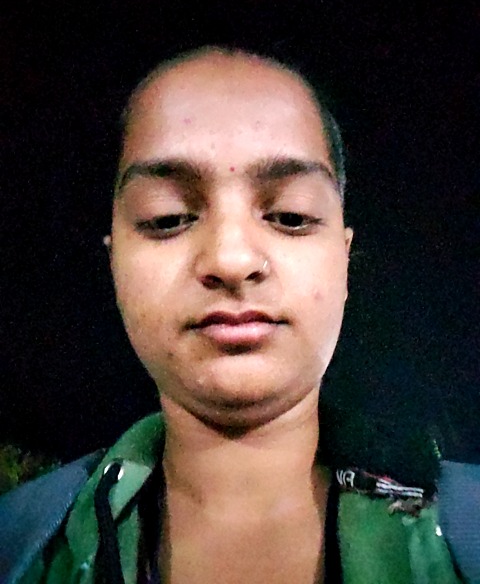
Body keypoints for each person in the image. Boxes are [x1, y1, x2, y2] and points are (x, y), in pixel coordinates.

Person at [0, 46, 468, 583]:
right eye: (167, 218)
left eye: (290, 216)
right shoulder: (18, 546)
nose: (231, 259)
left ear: (344, 259)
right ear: (115, 263)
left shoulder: (468, 530)